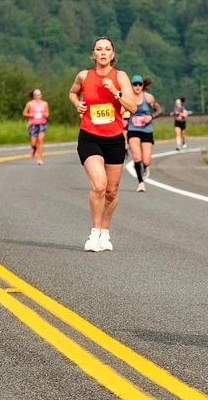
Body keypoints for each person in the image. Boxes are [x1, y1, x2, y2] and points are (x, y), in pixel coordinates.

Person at [68, 37, 138, 252]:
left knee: (111, 191)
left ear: (113, 54)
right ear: (93, 54)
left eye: (107, 49)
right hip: (89, 136)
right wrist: (77, 104)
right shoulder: (84, 75)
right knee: (98, 185)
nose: (103, 53)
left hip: (115, 138)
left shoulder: (120, 77)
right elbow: (72, 92)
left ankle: (105, 233)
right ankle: (94, 232)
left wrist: (115, 92)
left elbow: (132, 107)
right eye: (99, 49)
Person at [125, 76, 162, 192]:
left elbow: (160, 110)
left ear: (142, 86)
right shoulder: (128, 98)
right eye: (135, 84)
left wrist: (150, 117)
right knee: (136, 156)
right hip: (133, 129)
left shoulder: (148, 98)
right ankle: (141, 182)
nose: (137, 87)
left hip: (146, 130)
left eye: (139, 84)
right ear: (131, 86)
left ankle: (145, 167)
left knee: (146, 160)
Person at [22, 89, 49, 165]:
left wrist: (44, 114)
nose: (38, 96)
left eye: (39, 95)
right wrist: (31, 115)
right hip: (33, 124)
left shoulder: (44, 104)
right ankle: (34, 149)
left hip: (42, 124)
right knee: (33, 143)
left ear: (41, 95)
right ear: (34, 96)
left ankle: (39, 158)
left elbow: (47, 114)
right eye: (36, 95)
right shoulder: (30, 104)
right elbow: (24, 113)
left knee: (40, 140)